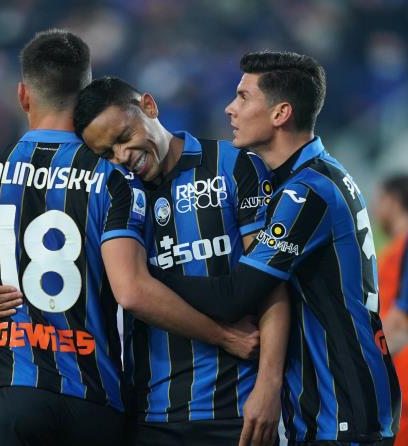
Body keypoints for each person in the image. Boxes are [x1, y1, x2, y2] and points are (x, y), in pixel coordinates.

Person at [0, 29, 259, 446]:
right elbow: (131, 289)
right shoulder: (114, 178)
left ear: (23, 95)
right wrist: (225, 335)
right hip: (93, 393)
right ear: (86, 96)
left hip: (9, 387)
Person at [141, 51, 400, 445]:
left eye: (244, 97)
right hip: (338, 401)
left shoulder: (306, 192)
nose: (230, 108)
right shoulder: (320, 174)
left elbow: (236, 295)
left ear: (281, 113)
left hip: (341, 406)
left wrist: (144, 278)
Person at [69, 76, 289, 446]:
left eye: (124, 136)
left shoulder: (232, 164)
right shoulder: (115, 196)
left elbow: (272, 283)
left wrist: (270, 384)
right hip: (151, 415)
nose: (121, 156)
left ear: (149, 106)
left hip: (238, 409)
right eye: (106, 153)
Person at [374, 174, 408, 446]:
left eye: (379, 199)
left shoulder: (402, 249)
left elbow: (399, 324)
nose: (375, 208)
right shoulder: (394, 250)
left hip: (401, 378)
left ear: (393, 201)